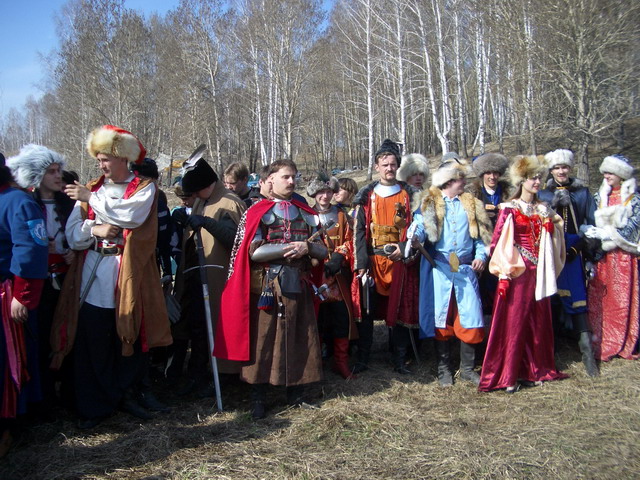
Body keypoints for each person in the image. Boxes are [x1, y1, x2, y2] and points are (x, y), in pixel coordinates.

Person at [52, 125, 172, 428]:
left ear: (122, 158)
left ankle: (128, 395)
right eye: (98, 159)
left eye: (105, 158)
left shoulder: (144, 188)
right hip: (93, 273)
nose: (101, 165)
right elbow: (73, 234)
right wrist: (96, 228)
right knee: (94, 338)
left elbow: (130, 216)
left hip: (128, 276)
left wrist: (91, 200)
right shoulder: (93, 187)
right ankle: (95, 404)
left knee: (128, 335)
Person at [214, 159, 327, 419]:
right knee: (263, 340)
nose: (292, 181)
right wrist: (289, 248)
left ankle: (296, 392)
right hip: (268, 286)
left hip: (298, 283)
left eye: (294, 176)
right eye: (286, 176)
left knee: (300, 336)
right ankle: (258, 397)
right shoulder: (257, 211)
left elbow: (322, 251)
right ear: (270, 180)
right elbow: (254, 252)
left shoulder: (306, 211)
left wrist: (308, 247)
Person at [479, 155, 567, 393]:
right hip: (517, 272)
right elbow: (498, 242)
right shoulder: (510, 208)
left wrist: (552, 229)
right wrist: (503, 273)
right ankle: (509, 375)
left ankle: (533, 370)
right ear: (521, 181)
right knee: (515, 322)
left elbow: (558, 229)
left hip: (539, 272)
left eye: (539, 178)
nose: (536, 182)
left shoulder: (543, 209)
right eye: (531, 178)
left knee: (537, 322)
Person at [408, 159, 491, 385]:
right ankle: (444, 369)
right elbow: (421, 228)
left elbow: (481, 237)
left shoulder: (472, 204)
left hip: (465, 270)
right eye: (460, 179)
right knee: (442, 318)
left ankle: (467, 369)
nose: (464, 182)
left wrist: (481, 257)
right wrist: (415, 237)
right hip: (441, 270)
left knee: (470, 317)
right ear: (448, 181)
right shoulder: (430, 202)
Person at [6, 145, 76, 413]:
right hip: (39, 284)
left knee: (66, 334)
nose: (58, 176)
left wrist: (73, 252)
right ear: (36, 176)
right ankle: (43, 398)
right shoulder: (26, 204)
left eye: (58, 170)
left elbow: (81, 236)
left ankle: (66, 393)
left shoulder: (68, 204)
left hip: (66, 280)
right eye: (51, 172)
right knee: (41, 338)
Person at [171, 157, 245, 395]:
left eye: (195, 191)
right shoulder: (203, 200)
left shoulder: (229, 203)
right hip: (197, 275)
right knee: (197, 326)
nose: (192, 196)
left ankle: (223, 375)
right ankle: (198, 373)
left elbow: (235, 240)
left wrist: (206, 223)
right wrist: (186, 222)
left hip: (219, 280)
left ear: (207, 184)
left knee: (218, 325)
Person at [352, 139, 415, 373]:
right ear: (377, 166)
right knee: (367, 310)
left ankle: (399, 357)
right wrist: (361, 264)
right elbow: (358, 232)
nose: (389, 168)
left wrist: (405, 247)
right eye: (385, 164)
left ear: (398, 166)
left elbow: (419, 227)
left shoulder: (410, 195)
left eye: (393, 164)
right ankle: (363, 357)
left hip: (399, 260)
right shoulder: (366, 196)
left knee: (399, 308)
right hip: (373, 262)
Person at [0, 161, 48, 456]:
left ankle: (9, 425)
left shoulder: (18, 201)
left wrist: (22, 295)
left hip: (7, 297)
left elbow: (31, 248)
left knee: (9, 363)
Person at [538, 149, 599, 376]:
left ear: (570, 168)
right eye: (556, 168)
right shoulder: (543, 194)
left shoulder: (582, 193)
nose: (561, 171)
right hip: (551, 251)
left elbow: (592, 224)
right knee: (551, 298)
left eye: (564, 167)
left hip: (574, 251)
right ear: (551, 171)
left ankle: (587, 354)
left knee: (577, 298)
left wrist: (581, 247)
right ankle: (550, 353)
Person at [583, 154, 640, 362]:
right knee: (601, 298)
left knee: (621, 299)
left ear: (621, 174)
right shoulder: (599, 197)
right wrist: (589, 232)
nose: (606, 176)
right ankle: (600, 339)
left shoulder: (634, 199)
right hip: (602, 257)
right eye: (605, 172)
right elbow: (590, 219)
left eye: (610, 172)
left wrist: (610, 235)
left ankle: (622, 341)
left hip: (624, 258)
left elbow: (634, 227)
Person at [308, 172, 358, 379]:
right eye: (321, 192)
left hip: (337, 276)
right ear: (314, 193)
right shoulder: (306, 215)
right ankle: (316, 363)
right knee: (317, 320)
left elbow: (349, 239)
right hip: (315, 276)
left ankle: (341, 362)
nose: (325, 196)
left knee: (341, 318)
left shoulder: (341, 215)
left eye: (329, 192)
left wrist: (338, 257)